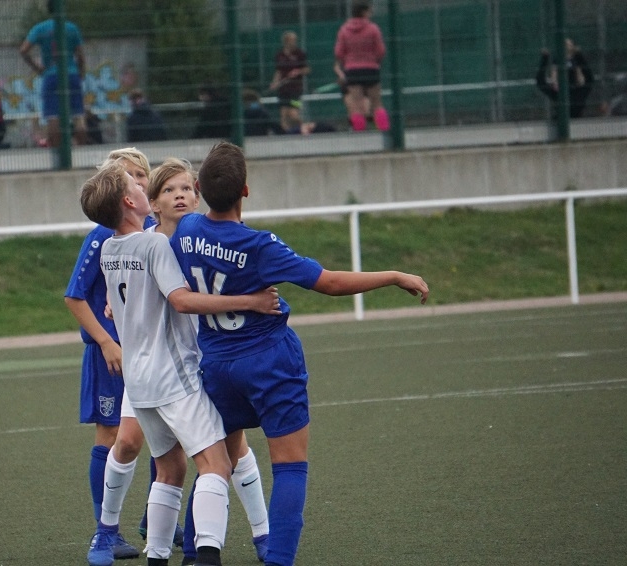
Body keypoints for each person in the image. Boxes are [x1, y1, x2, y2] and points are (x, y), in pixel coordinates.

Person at [170, 142, 429, 566]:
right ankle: (278, 560)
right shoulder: (259, 246)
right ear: (246, 191)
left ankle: (197, 555)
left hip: (215, 365)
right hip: (269, 361)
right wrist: (394, 275)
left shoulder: (188, 230)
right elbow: (328, 282)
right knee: (289, 464)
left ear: (197, 188)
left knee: (214, 461)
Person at [79, 159, 281, 566]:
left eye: (186, 188)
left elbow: (124, 302)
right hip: (175, 374)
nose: (178, 195)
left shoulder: (112, 247)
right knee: (215, 464)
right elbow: (181, 299)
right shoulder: (155, 244)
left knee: (170, 468)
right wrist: (251, 301)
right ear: (140, 202)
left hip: (140, 380)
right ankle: (205, 555)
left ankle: (160, 555)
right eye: (160, 188)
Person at [65, 148, 154, 564]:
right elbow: (75, 296)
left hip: (151, 353)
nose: (137, 181)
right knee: (111, 437)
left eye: (141, 174)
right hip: (111, 356)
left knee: (162, 437)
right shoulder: (103, 232)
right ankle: (108, 530)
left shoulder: (155, 231)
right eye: (128, 176)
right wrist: (105, 341)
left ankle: (156, 518)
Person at [19, 0, 88, 148]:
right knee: (78, 114)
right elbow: (81, 56)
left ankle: (58, 151)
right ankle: (82, 150)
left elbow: (23, 50)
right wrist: (81, 73)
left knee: (53, 116)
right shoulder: (72, 28)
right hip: (71, 73)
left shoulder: (40, 28)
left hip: (50, 75)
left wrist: (38, 68)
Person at [334, 2, 389, 132]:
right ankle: (384, 131)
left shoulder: (344, 30)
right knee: (376, 103)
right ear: (364, 12)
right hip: (370, 68)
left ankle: (360, 133)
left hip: (352, 70)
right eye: (369, 11)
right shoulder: (373, 28)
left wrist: (348, 60)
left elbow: (339, 52)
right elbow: (381, 50)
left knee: (356, 104)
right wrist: (375, 60)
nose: (371, 14)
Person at [536, 39, 594, 119]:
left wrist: (579, 56)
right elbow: (540, 81)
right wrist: (545, 59)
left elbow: (589, 78)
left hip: (577, 120)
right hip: (564, 119)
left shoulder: (579, 92)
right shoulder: (559, 94)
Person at [269, 31, 311, 133]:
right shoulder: (280, 55)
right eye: (292, 40)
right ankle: (286, 134)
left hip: (296, 89)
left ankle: (306, 128)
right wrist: (274, 83)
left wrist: (298, 71)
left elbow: (307, 69)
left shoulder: (299, 54)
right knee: (283, 114)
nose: (294, 42)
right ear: (286, 41)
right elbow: (278, 71)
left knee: (293, 114)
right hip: (283, 89)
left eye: (295, 40)